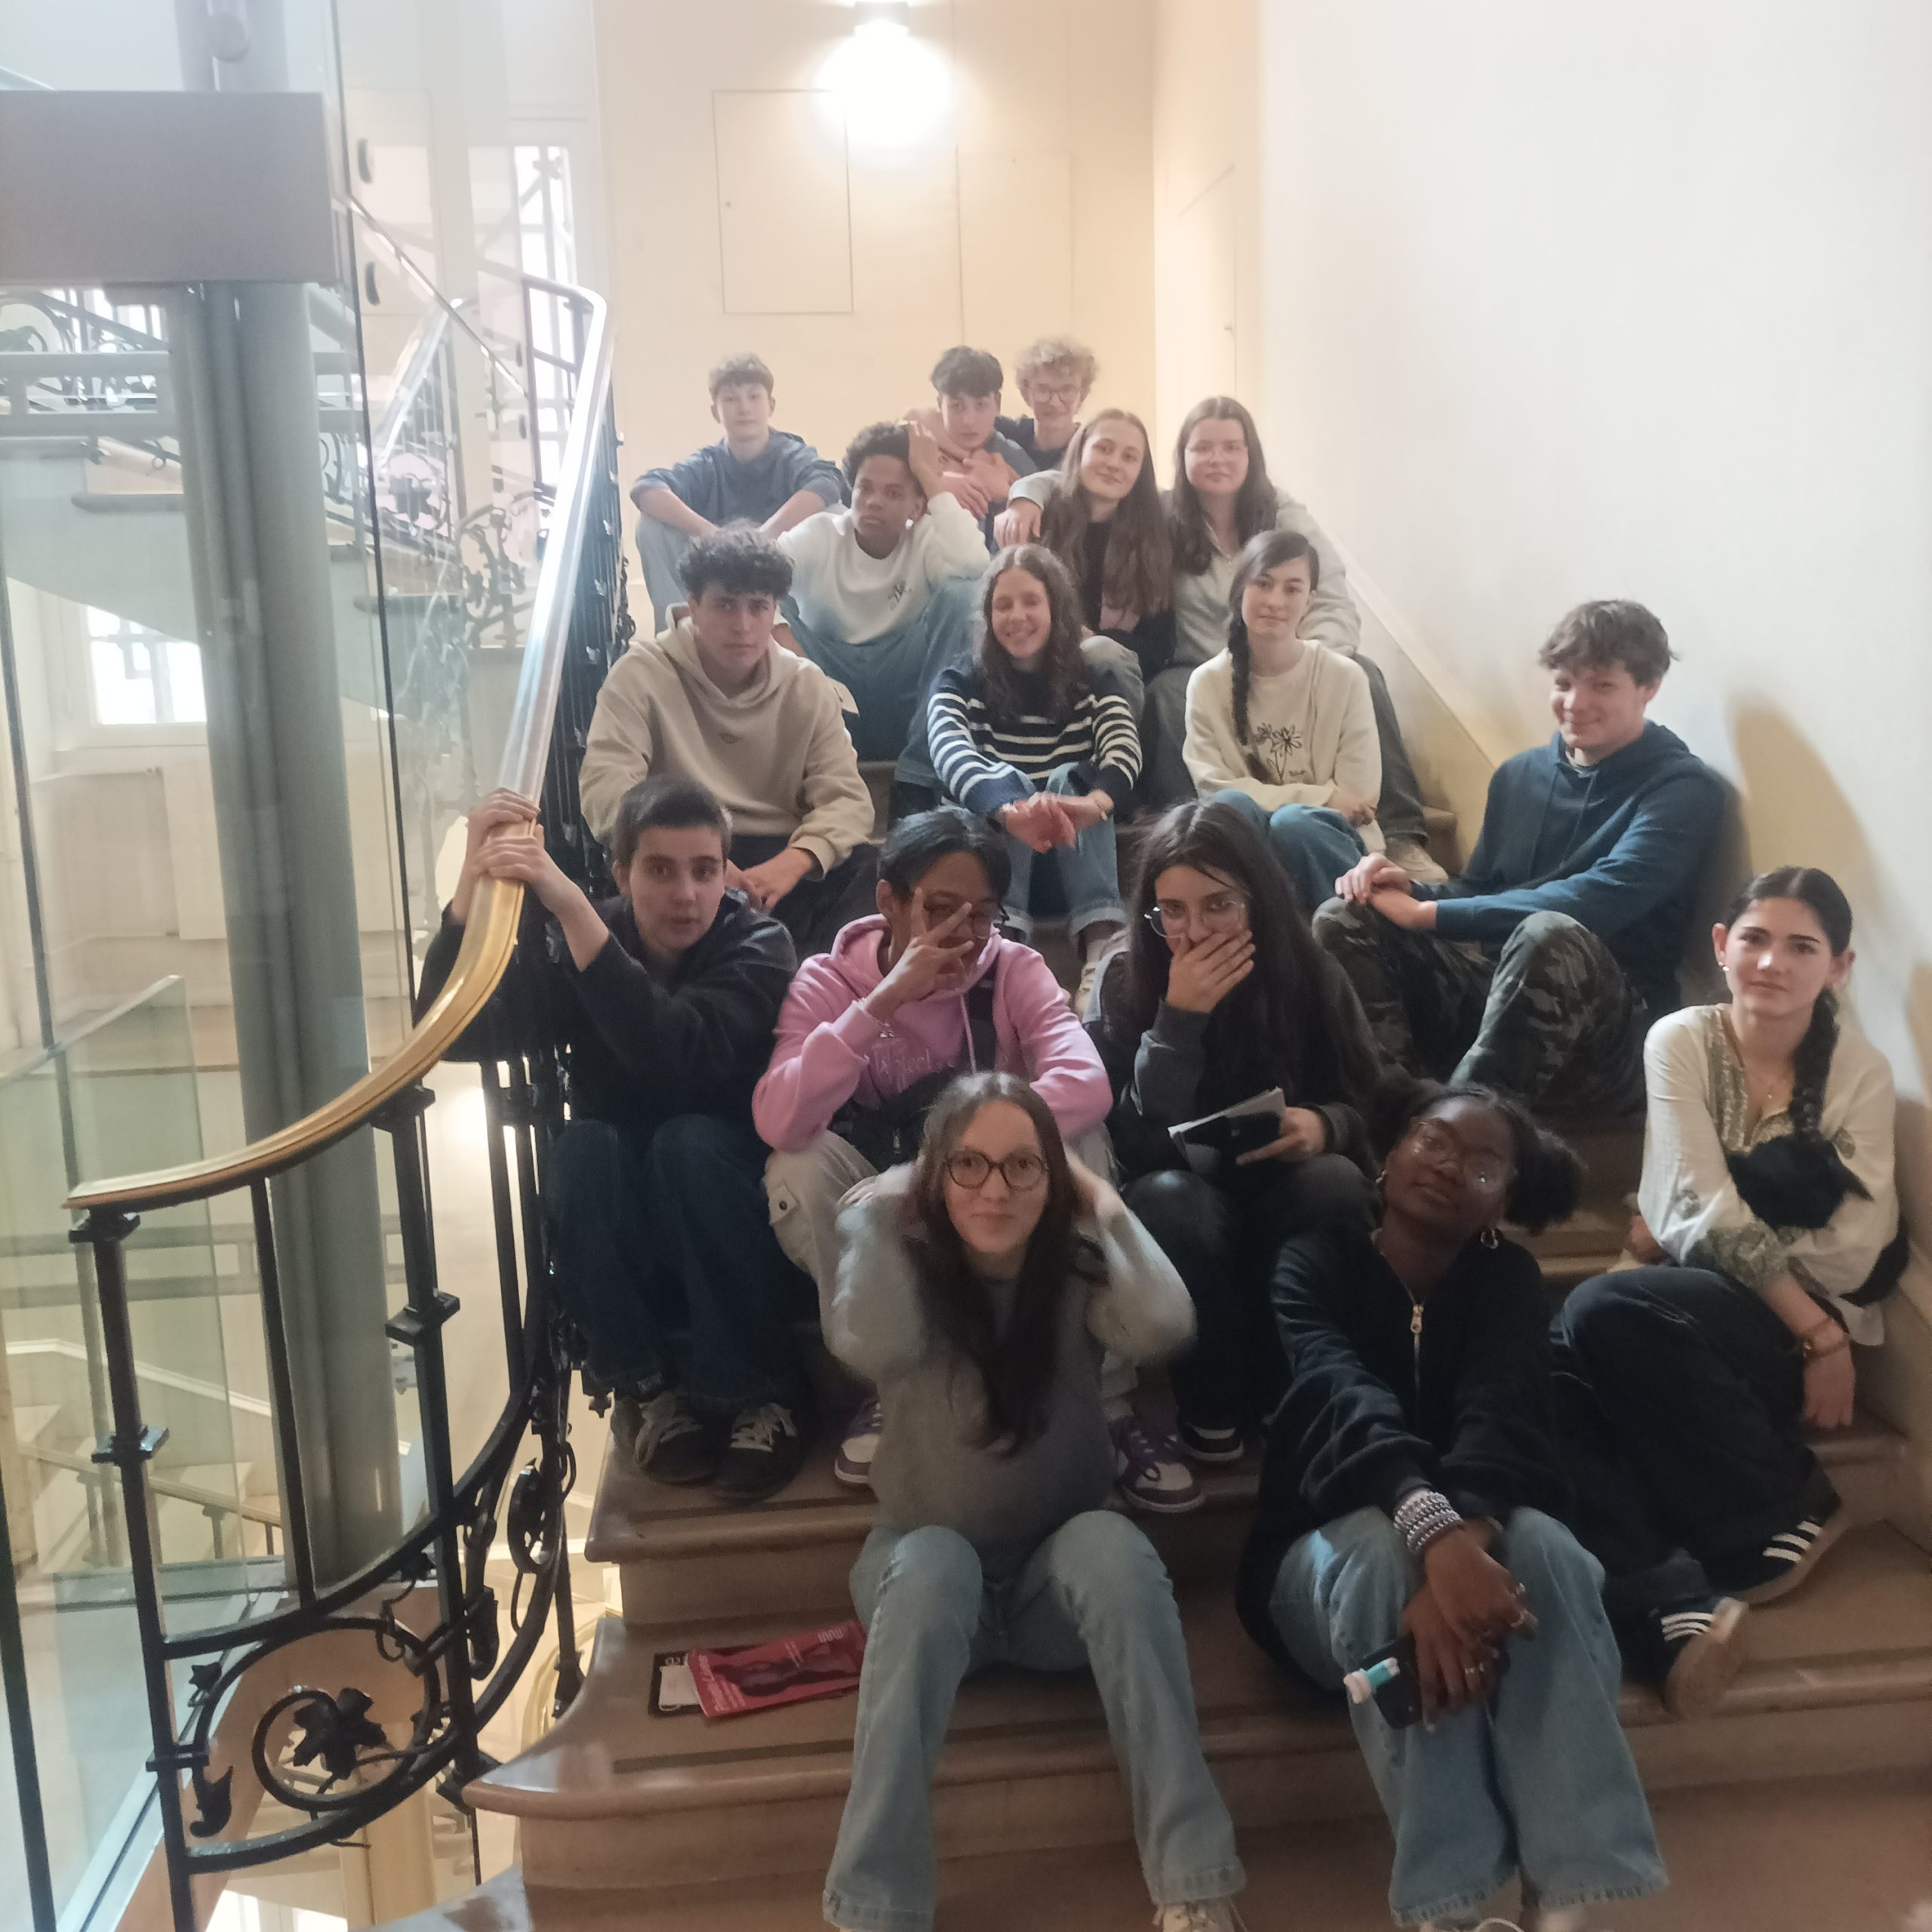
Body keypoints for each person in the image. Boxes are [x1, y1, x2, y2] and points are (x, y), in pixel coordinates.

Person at [822, 1072, 1245, 1932]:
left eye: (1023, 1166)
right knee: (934, 1563)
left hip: (1055, 1597)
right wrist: (882, 1207)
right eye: (969, 1164)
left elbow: (1165, 1326)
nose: (995, 1189)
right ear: (937, 1174)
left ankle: (1195, 1884)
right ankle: (874, 1908)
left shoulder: (1073, 1267)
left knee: (1114, 1546)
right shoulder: (909, 1268)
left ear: (1054, 1178)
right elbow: (871, 1340)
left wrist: (1107, 1205)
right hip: (928, 1592)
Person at [1241, 1083, 1666, 1931]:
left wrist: (1457, 1550)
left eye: (1480, 1163)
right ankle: (1450, 1906)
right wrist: (1432, 1537)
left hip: (1468, 1551)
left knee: (1547, 1546)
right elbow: (1342, 1399)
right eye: (1432, 1141)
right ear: (1391, 1154)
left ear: (1502, 1199)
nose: (1446, 1165)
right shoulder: (1312, 1263)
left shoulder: (1507, 1280)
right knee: (1377, 1553)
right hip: (1320, 1578)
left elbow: (1502, 1414)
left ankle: (1568, 1889)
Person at [1552, 869, 1902, 1714]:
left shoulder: (1859, 1070)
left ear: (1839, 967)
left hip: (1797, 1324)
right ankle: (1670, 1601)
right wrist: (1708, 1225)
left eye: (1802, 947)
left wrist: (1818, 1334)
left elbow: (1853, 1245)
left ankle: (1782, 1505)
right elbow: (1695, 1210)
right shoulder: (1680, 1039)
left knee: (1601, 1308)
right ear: (1720, 945)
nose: (1772, 962)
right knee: (1554, 1364)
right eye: (1754, 938)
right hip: (1715, 1311)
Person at [420, 779, 813, 1499]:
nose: (686, 894)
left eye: (705, 870)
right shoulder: (585, 936)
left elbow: (677, 1056)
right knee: (580, 1151)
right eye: (660, 870)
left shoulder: (761, 943)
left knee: (688, 1144)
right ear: (622, 873)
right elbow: (460, 1034)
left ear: (726, 873)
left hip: (729, 1209)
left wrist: (570, 907)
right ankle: (648, 1391)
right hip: (630, 1217)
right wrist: (469, 892)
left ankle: (758, 1394)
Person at [755, 808, 1113, 1485]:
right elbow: (779, 1119)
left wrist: (953, 1160)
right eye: (941, 909)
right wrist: (882, 1002)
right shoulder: (827, 981)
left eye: (983, 915)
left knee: (1082, 1139)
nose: (964, 936)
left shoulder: (1015, 968)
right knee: (797, 1165)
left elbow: (1087, 1082)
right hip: (885, 1196)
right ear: (889, 902)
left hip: (984, 1184)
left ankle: (1095, 1385)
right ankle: (886, 1381)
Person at [1318, 599, 1724, 1118]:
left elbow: (1597, 900)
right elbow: (1480, 887)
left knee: (1549, 933)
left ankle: (1447, 1129)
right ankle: (1393, 1108)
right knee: (1346, 914)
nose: (1575, 703)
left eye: (1602, 685)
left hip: (1611, 1030)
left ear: (1649, 688)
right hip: (1500, 987)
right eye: (1563, 683)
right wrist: (1407, 890)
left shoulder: (1683, 790)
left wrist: (1429, 913)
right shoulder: (1519, 775)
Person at [1088, 797, 1384, 1510]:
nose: (1194, 931)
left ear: (1257, 898)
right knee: (1169, 1201)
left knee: (1334, 1182)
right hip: (1180, 1197)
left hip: (1287, 1184)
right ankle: (1210, 1401)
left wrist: (1326, 1124)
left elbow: (1372, 1099)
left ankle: (1287, 1387)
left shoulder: (1308, 970)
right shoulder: (1125, 975)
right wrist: (1178, 1022)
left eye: (1218, 905)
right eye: (1173, 911)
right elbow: (1125, 1137)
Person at [577, 527, 877, 956]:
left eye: (758, 607)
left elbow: (848, 800)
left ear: (775, 611)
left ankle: (813, 983)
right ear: (694, 606)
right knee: (635, 878)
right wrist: (706, 866)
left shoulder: (806, 684)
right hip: (682, 852)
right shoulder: (640, 673)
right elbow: (605, 785)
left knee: (872, 869)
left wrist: (793, 863)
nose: (743, 626)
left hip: (781, 857)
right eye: (725, 605)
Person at [928, 545, 1137, 1009]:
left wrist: (1093, 804)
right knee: (1010, 780)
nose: (1017, 616)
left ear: (1055, 608)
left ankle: (1102, 951)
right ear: (988, 616)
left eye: (1031, 602)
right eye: (1003, 605)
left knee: (1071, 780)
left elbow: (1122, 749)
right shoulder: (959, 681)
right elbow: (949, 753)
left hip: (1075, 856)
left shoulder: (1095, 678)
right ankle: (1006, 952)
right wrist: (1009, 809)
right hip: (995, 865)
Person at [777, 420, 989, 804]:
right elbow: (754, 578)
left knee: (964, 596)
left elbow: (976, 567)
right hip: (830, 680)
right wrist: (799, 658)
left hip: (904, 690)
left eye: (893, 493)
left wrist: (930, 477)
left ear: (917, 506)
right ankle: (804, 772)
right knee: (765, 598)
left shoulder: (926, 538)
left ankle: (919, 776)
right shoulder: (820, 534)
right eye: (865, 488)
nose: (874, 501)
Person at [1183, 528, 1386, 914]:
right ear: (1240, 589)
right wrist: (1322, 797)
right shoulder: (1207, 683)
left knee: (1294, 825)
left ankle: (1346, 937)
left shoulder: (1345, 677)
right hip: (1253, 850)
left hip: (1335, 849)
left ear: (1309, 602)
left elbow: (1359, 797)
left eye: (1292, 589)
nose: (1275, 601)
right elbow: (1214, 790)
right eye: (1263, 583)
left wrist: (1301, 808)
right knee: (1232, 809)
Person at [630, 352, 846, 629]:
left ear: (770, 405)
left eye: (754, 397)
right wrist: (714, 536)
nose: (744, 408)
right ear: (715, 412)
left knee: (834, 514)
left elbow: (827, 480)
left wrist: (763, 538)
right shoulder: (708, 463)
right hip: (721, 581)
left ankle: (828, 630)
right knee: (651, 525)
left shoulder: (792, 455)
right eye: (731, 399)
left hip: (787, 584)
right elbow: (647, 488)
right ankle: (681, 634)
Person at [999, 408, 1178, 688]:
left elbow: (1158, 647)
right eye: (1103, 449)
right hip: (1037, 668)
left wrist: (1095, 642)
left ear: (1140, 471)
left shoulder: (1152, 537)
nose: (1114, 464)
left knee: (1103, 654)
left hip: (1114, 680)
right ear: (1080, 450)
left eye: (1129, 457)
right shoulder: (1036, 520)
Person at [912, 343, 1035, 548]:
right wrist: (935, 484)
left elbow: (1052, 523)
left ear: (997, 403)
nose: (968, 420)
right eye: (956, 406)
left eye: (981, 405)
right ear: (940, 403)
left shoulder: (1013, 459)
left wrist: (1008, 495)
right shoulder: (917, 446)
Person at [996, 334, 1097, 471]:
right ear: (1025, 393)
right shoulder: (1005, 434)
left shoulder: (1091, 450)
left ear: (1082, 396)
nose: (1054, 402)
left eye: (1067, 390)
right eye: (1043, 390)